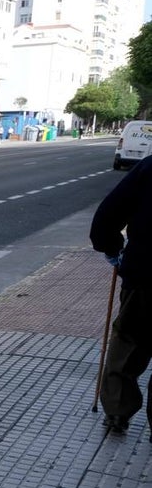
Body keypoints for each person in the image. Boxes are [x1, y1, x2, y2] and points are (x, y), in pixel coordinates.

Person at [90, 156, 152, 435]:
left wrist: (112, 247)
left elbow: (108, 214)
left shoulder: (150, 167)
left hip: (146, 275)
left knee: (128, 342)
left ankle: (117, 411)